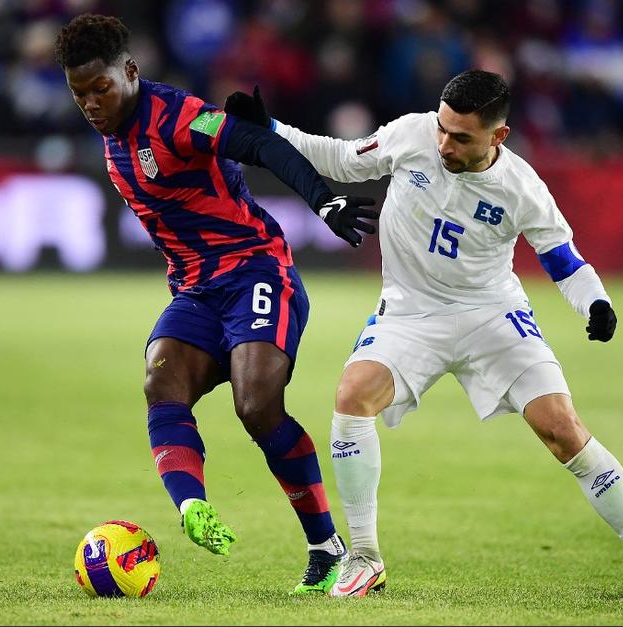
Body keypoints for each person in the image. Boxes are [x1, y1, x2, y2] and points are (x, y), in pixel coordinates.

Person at [224, 71, 623, 600]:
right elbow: (338, 157)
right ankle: (365, 558)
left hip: (491, 315)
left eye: (461, 137)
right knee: (351, 397)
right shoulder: (412, 134)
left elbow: (563, 260)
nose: (445, 144)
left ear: (499, 136)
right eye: (444, 129)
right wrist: (271, 127)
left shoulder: (522, 187)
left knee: (563, 429)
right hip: (409, 314)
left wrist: (597, 302)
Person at [53, 14, 380, 594]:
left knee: (256, 406)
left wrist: (323, 201)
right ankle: (191, 509)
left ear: (130, 71)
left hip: (257, 268)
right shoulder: (112, 135)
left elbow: (254, 141)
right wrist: (188, 500)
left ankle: (326, 548)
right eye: (80, 94)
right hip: (195, 288)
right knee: (161, 378)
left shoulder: (177, 115)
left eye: (100, 88)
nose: (91, 103)